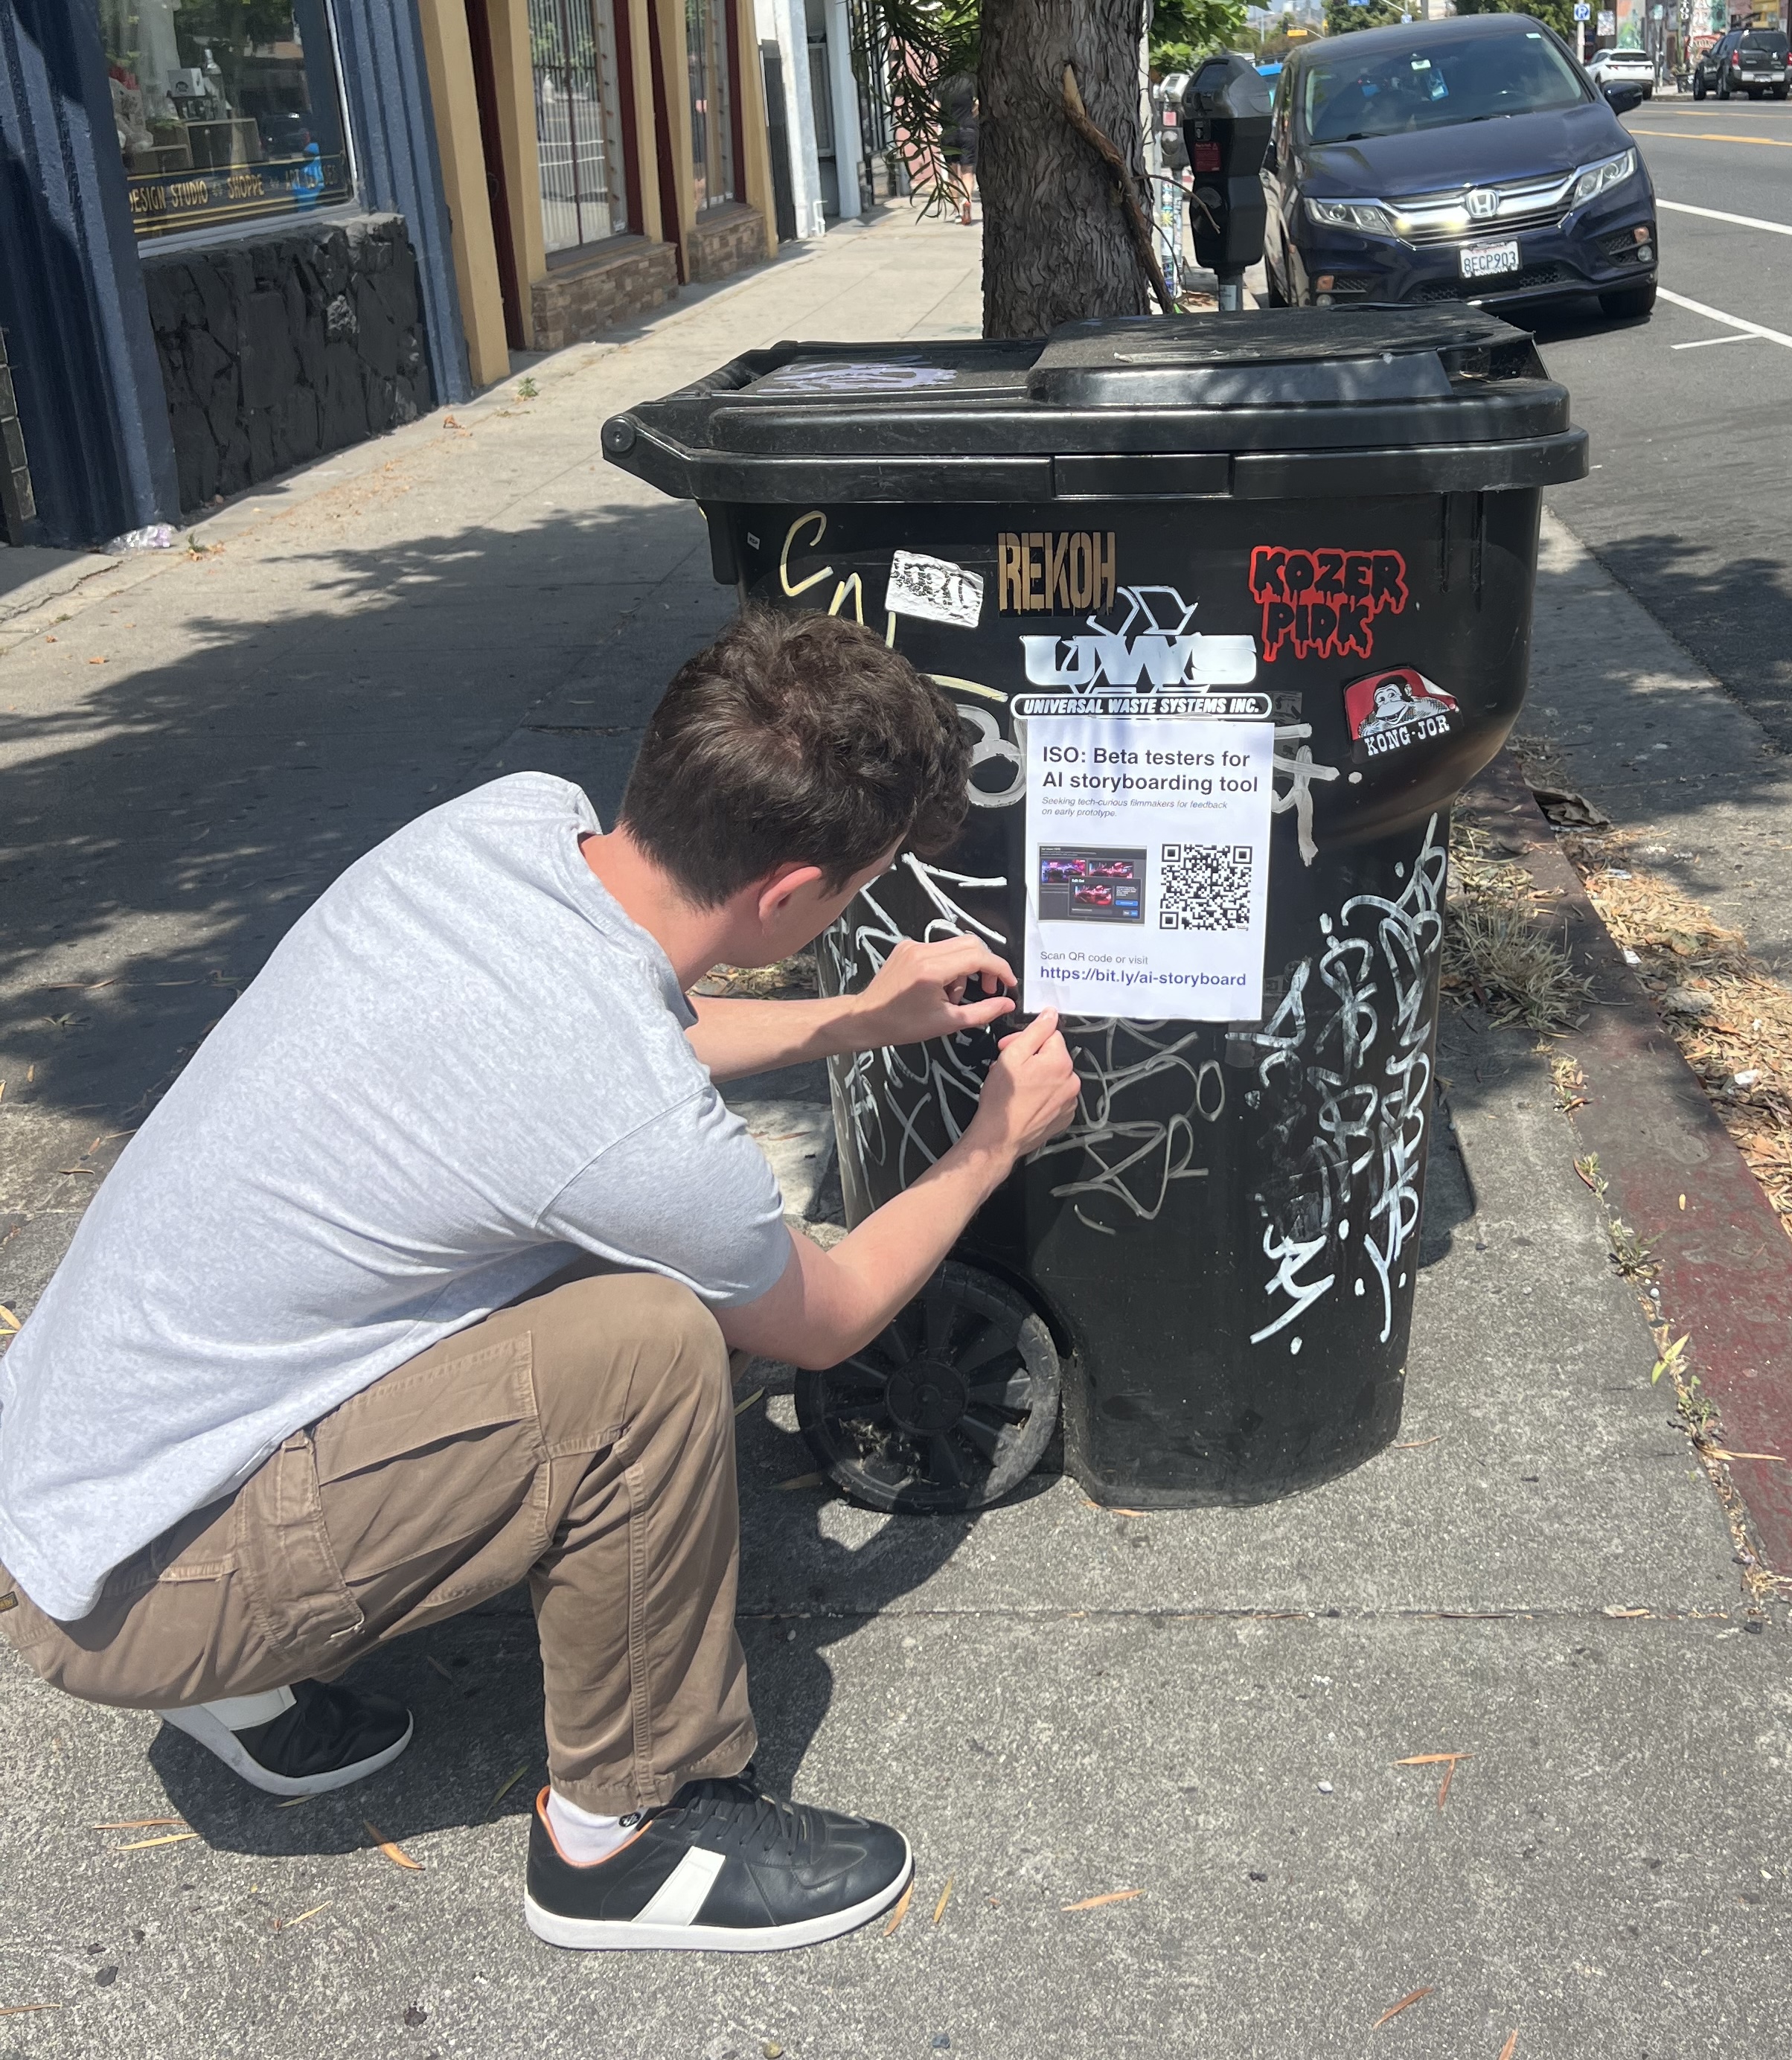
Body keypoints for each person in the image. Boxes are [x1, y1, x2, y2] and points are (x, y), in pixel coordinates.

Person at [0, 609, 1081, 1954]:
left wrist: (852, 1016)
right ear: (792, 896)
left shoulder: (507, 830)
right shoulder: (620, 1116)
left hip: (74, 1460)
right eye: (854, 890)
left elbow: (635, 1029)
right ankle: (625, 1833)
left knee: (610, 1250)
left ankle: (250, 1679)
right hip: (126, 1586)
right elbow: (827, 1315)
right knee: (645, 1340)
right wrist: (992, 1143)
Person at [938, 71, 977, 225]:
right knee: (967, 172)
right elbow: (977, 104)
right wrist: (970, 115)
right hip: (968, 130)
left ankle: (957, 212)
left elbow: (935, 109)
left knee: (952, 174)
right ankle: (967, 202)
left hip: (949, 132)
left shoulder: (940, 87)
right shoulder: (968, 83)